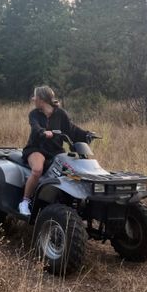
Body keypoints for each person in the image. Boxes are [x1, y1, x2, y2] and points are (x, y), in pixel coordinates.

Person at [19, 85, 92, 216]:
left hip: (55, 151)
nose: (33, 98)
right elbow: (35, 127)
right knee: (37, 170)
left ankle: (70, 203)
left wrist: (86, 135)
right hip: (36, 148)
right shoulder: (34, 114)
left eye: (35, 96)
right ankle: (25, 202)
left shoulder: (60, 114)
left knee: (72, 173)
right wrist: (43, 132)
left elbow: (71, 129)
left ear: (41, 99)